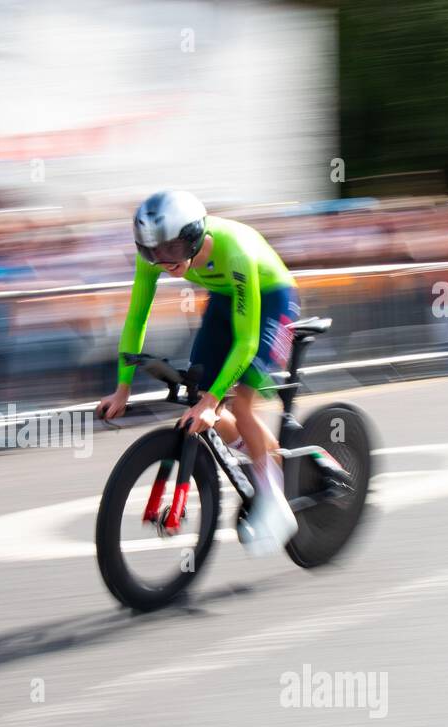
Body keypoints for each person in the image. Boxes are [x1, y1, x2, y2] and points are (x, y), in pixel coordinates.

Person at [96, 190, 298, 554]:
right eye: (151, 251)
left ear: (194, 238)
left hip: (271, 297)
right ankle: (266, 454)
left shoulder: (233, 249)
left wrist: (214, 398)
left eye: (172, 250)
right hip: (224, 299)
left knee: (240, 406)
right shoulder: (156, 258)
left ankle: (275, 501)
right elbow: (136, 318)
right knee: (198, 397)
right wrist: (122, 387)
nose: (162, 261)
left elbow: (247, 342)